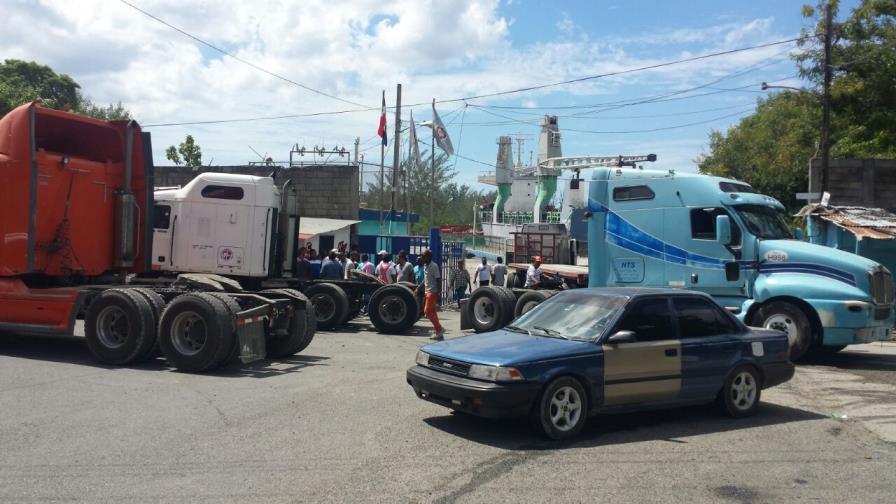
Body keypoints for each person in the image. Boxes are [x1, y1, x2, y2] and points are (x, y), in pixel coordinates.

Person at [415, 249, 444, 340]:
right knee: (432, 312)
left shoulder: (434, 266)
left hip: (432, 292)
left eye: (423, 256)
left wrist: (438, 293)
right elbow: (426, 279)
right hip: (427, 292)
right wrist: (419, 287)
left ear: (428, 257)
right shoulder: (425, 265)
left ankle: (439, 328)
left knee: (427, 312)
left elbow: (438, 280)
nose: (422, 257)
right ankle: (438, 332)